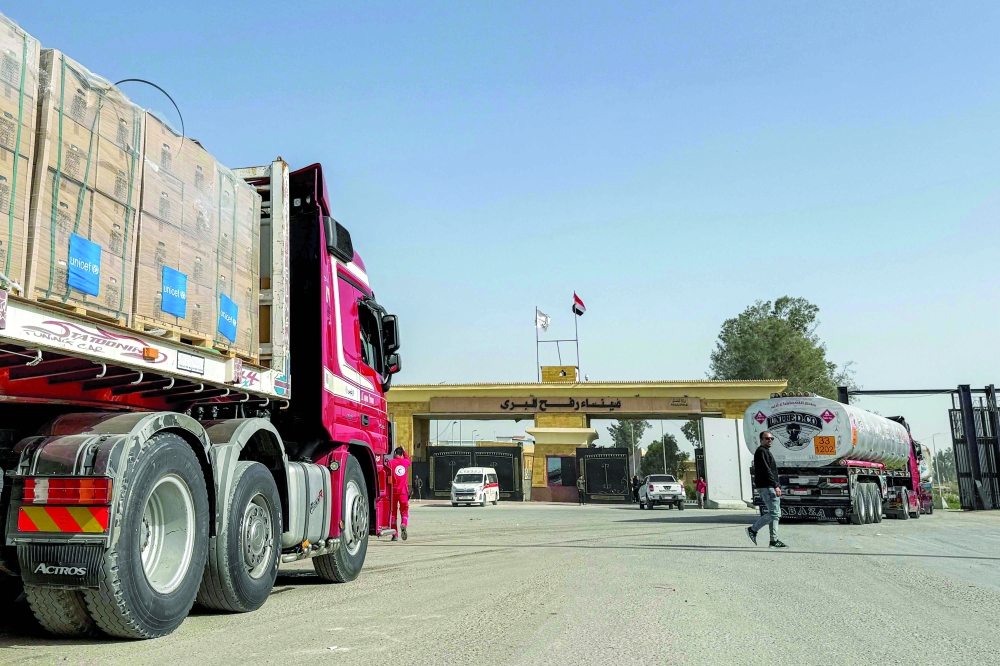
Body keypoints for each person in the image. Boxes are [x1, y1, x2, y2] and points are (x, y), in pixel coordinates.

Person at [747, 431, 787, 548]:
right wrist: (775, 485)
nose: (770, 441)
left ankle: (773, 540)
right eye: (767, 438)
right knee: (775, 513)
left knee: (774, 513)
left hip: (768, 486)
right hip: (767, 486)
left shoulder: (765, 452)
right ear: (761, 440)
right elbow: (766, 470)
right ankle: (753, 529)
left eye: (771, 439)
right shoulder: (761, 452)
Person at [389, 446, 411, 541]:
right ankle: (404, 523)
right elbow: (408, 459)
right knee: (404, 510)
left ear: (394, 454)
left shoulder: (391, 463)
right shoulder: (405, 462)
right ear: (402, 454)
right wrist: (404, 450)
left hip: (393, 491)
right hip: (403, 491)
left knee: (393, 513)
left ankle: (395, 534)